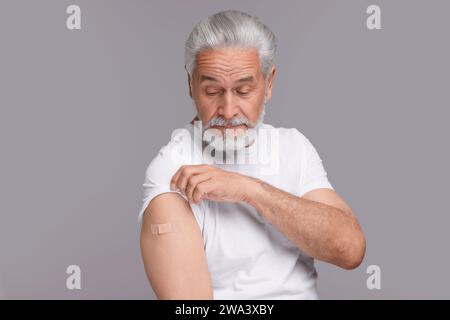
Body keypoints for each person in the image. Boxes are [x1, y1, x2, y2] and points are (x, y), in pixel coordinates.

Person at [138, 10, 365, 300]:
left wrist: (249, 190)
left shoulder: (293, 146)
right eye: (212, 91)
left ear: (268, 83)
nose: (229, 111)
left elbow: (350, 250)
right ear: (190, 85)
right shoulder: (171, 171)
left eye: (244, 90)